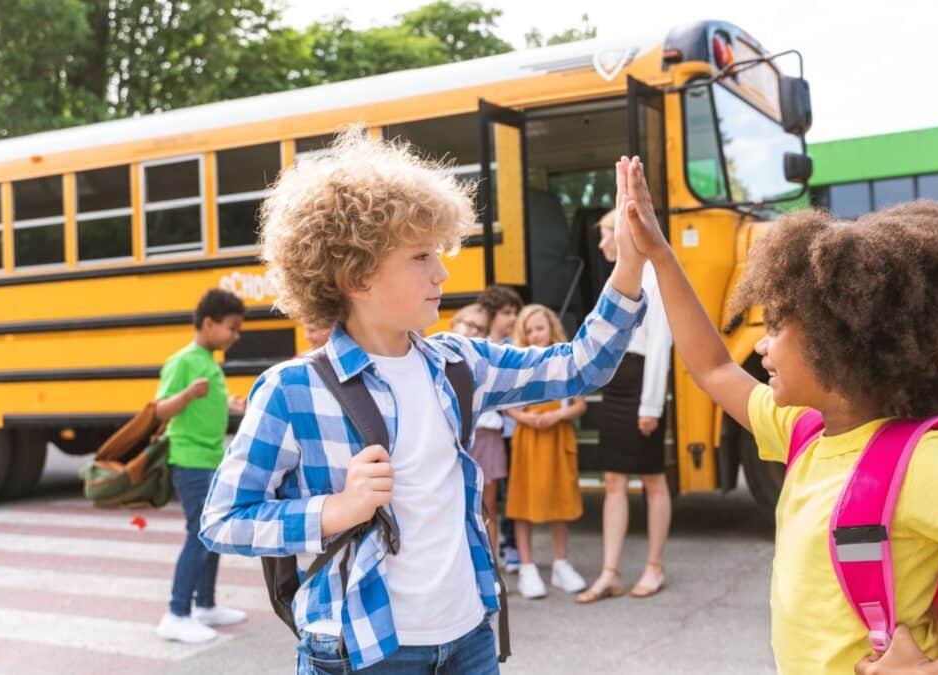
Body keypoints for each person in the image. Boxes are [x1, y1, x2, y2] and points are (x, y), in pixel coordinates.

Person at [615, 156, 938, 674]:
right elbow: (713, 368)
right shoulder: (804, 433)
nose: (762, 346)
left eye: (778, 326)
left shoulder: (923, 462)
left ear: (842, 344)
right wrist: (660, 257)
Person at [199, 134, 647, 674]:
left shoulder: (461, 363)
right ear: (356, 275)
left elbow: (581, 365)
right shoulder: (291, 390)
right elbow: (223, 519)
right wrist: (334, 511)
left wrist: (628, 264)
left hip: (469, 638)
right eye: (420, 257)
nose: (442, 273)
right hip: (363, 650)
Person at [578, 210, 673, 604]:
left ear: (622, 235)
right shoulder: (619, 279)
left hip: (640, 387)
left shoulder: (653, 278)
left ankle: (654, 567)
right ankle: (610, 573)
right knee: (613, 480)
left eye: (605, 235)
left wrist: (651, 404)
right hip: (616, 386)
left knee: (652, 479)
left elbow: (658, 345)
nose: (601, 245)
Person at [153, 288, 248, 644]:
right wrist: (187, 395)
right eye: (231, 328)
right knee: (199, 533)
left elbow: (207, 405)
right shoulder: (183, 361)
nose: (234, 336)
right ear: (208, 323)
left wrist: (229, 404)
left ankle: (205, 605)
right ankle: (176, 613)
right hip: (190, 460)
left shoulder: (210, 361)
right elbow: (159, 410)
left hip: (211, 458)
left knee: (212, 533)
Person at [503, 305, 588, 600]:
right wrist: (524, 418)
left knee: (560, 500)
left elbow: (579, 404)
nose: (535, 335)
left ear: (552, 327)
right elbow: (507, 405)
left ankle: (561, 564)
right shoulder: (519, 363)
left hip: (557, 435)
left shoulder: (565, 361)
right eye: (528, 331)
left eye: (539, 328)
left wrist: (557, 417)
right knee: (522, 502)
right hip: (528, 438)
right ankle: (527, 566)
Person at [450, 303, 506, 552]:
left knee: (487, 506)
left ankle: (491, 565)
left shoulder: (486, 361)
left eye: (481, 329)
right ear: (454, 324)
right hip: (453, 440)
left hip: (486, 437)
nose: (475, 332)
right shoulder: (434, 360)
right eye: (469, 325)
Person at [477, 285, 524, 573]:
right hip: (493, 430)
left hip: (511, 429)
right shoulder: (480, 347)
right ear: (492, 315)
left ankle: (511, 543)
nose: (513, 318)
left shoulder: (514, 346)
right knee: (490, 497)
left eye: (515, 312)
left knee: (506, 493)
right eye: (506, 312)